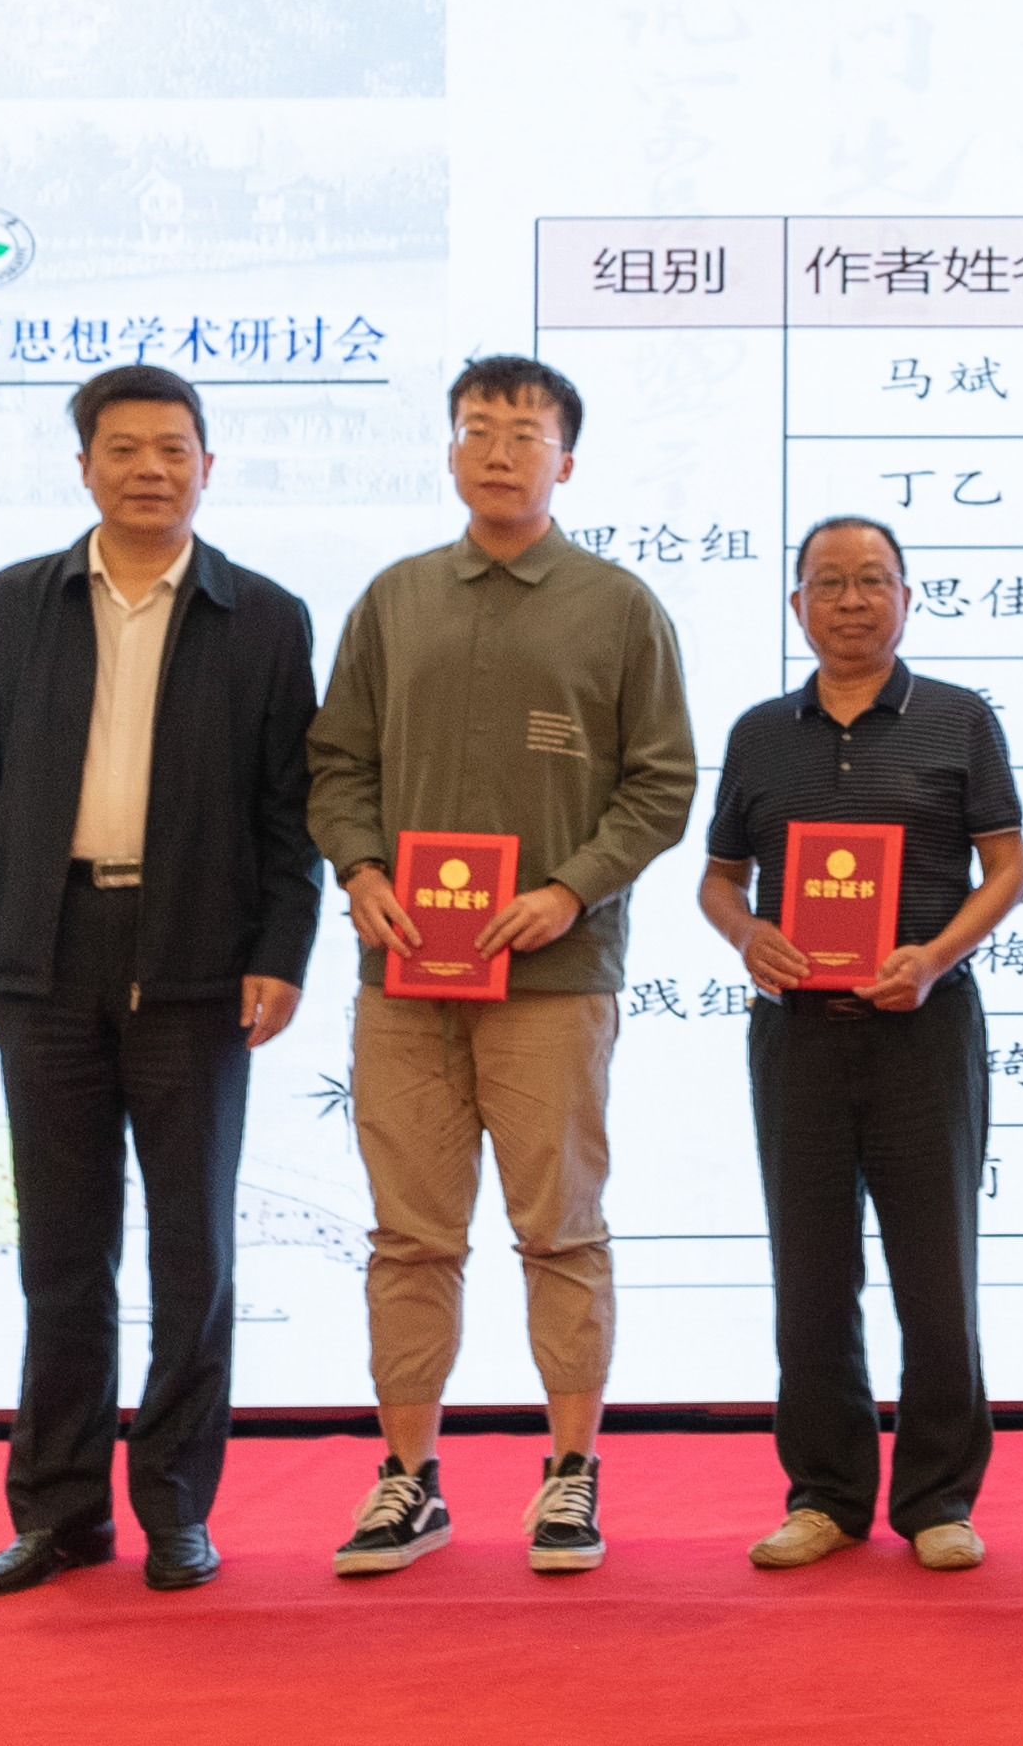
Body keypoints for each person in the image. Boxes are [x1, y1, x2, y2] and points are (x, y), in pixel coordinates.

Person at [308, 355, 698, 1577]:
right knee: (409, 1236)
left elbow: (662, 783)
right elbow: (337, 762)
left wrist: (567, 887)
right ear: (449, 450)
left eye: (524, 432)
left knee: (560, 1230)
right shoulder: (395, 598)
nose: (498, 450)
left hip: (554, 975)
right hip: (406, 976)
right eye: (477, 428)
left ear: (564, 460)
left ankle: (571, 1470)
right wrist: (359, 869)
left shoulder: (618, 605)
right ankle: (408, 1477)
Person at [0, 366, 321, 1599]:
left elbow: (290, 812)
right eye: (123, 447)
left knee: (192, 1254)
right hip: (45, 952)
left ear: (209, 465)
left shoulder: (264, 615)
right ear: (84, 465)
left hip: (197, 959)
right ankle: (57, 1512)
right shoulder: (14, 601)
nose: (149, 467)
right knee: (61, 1252)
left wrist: (281, 951)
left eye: (172, 447)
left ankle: (176, 1507)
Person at [696, 516, 1023, 1574]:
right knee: (810, 1273)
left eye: (873, 579)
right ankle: (826, 1496)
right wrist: (746, 934)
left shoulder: (959, 719)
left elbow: (1008, 867)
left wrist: (933, 956)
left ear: (907, 597)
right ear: (797, 604)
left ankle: (938, 1497)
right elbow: (719, 877)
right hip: (796, 1035)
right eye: (829, 582)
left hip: (925, 1027)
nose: (851, 600)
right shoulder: (760, 732)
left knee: (937, 1272)